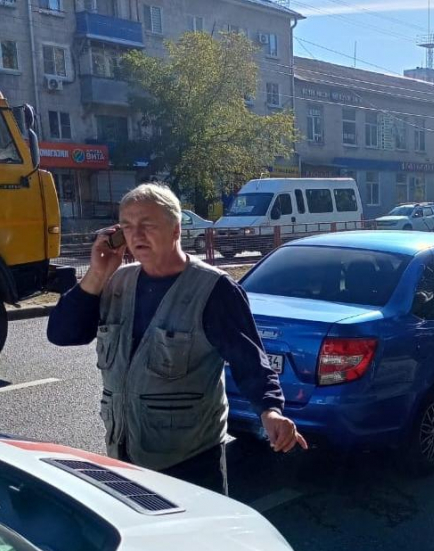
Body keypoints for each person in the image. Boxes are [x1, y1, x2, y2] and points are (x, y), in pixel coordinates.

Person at [47, 183, 306, 494]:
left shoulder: (213, 289)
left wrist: (270, 411)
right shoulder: (117, 283)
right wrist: (96, 274)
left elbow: (249, 361)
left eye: (147, 225)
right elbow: (62, 335)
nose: (136, 235)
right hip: (124, 455)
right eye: (127, 227)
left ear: (175, 229)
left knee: (193, 543)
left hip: (190, 462)